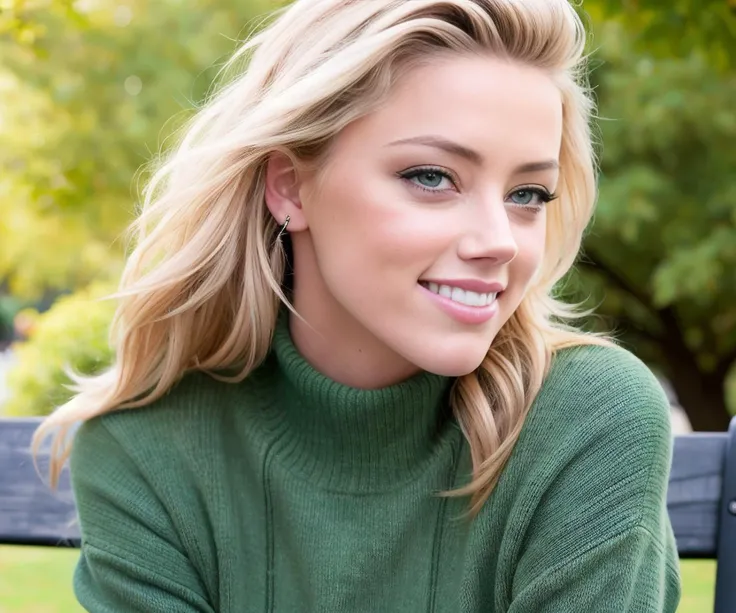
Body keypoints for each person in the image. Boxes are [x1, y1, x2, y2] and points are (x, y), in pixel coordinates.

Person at [35, 0, 681, 611]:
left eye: (529, 193)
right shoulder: (146, 455)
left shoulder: (587, 419)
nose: (498, 242)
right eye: (432, 177)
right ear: (289, 184)